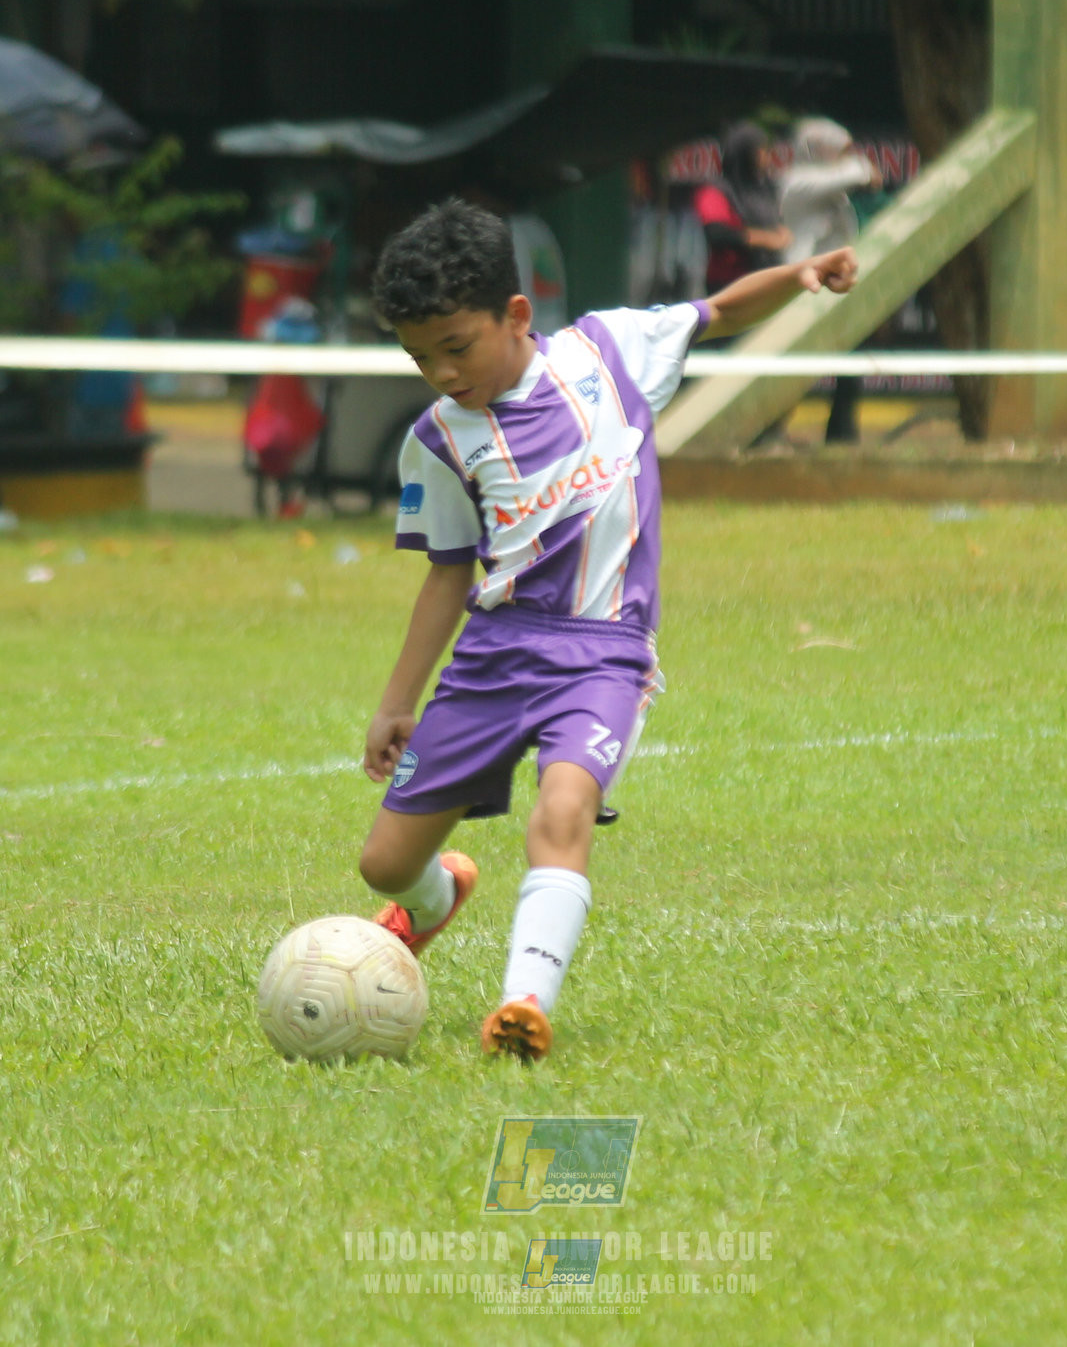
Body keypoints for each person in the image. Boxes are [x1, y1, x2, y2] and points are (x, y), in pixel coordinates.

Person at [356, 199, 858, 1060]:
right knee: (386, 865)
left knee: (563, 809)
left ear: (517, 315)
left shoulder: (607, 352)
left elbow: (719, 311)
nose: (440, 371)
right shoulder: (438, 441)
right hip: (493, 657)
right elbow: (446, 573)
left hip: (604, 654)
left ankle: (523, 1005)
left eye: (455, 346)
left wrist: (800, 275)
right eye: (419, 356)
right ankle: (437, 899)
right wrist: (395, 701)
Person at [779, 117, 881, 443]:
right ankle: (769, 431)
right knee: (792, 367)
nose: (843, 158)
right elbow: (861, 173)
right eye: (838, 150)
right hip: (801, 292)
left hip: (833, 290)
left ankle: (841, 433)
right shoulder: (798, 181)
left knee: (850, 363)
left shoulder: (835, 192)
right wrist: (859, 164)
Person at [693, 122, 790, 294]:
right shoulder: (715, 190)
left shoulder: (763, 188)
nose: (767, 156)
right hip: (729, 282)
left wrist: (782, 232)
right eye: (762, 150)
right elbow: (717, 233)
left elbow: (775, 219)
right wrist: (766, 239)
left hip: (767, 275)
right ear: (746, 153)